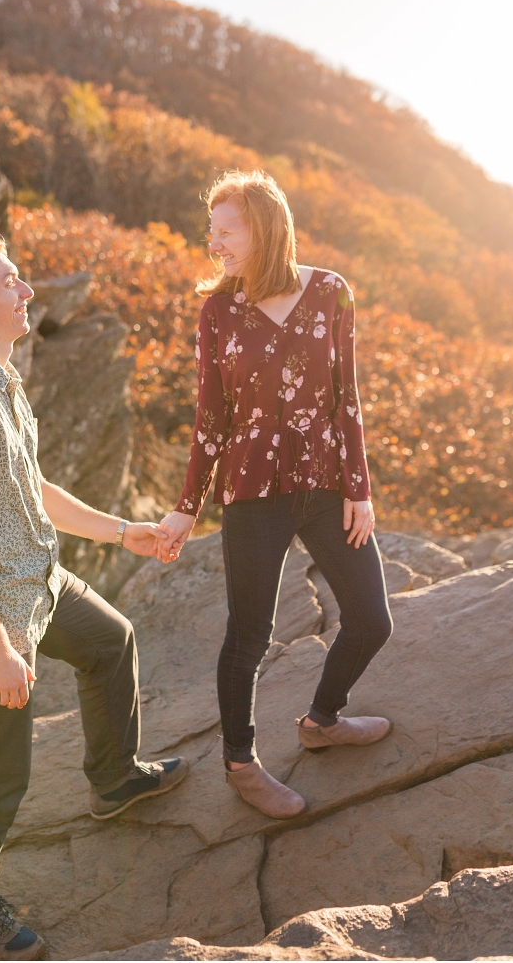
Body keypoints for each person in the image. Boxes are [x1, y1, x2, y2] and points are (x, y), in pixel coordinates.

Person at [0, 233, 188, 962]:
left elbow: (34, 489)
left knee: (109, 638)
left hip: (35, 580)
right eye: (12, 281)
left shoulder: (0, 379)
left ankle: (114, 779)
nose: (27, 291)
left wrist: (124, 530)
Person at [158, 171, 393, 820]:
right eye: (212, 230)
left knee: (372, 618)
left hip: (324, 487)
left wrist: (359, 489)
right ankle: (241, 763)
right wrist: (186, 506)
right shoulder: (218, 312)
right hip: (253, 493)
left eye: (224, 229)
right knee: (250, 635)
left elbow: (347, 398)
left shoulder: (331, 292)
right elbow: (211, 418)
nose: (213, 242)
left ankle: (322, 720)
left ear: (263, 228)